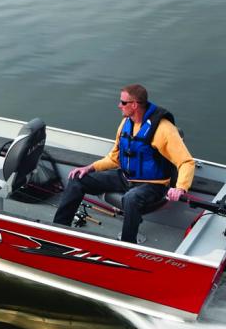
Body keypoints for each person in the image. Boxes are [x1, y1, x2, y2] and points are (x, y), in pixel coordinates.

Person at [53, 84, 195, 243]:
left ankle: (128, 245)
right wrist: (89, 168)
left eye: (123, 102)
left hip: (153, 185)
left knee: (131, 198)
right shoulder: (125, 123)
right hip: (125, 177)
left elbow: (186, 162)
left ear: (134, 105)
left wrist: (180, 187)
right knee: (78, 179)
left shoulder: (164, 129)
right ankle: (59, 231)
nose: (119, 105)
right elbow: (114, 158)